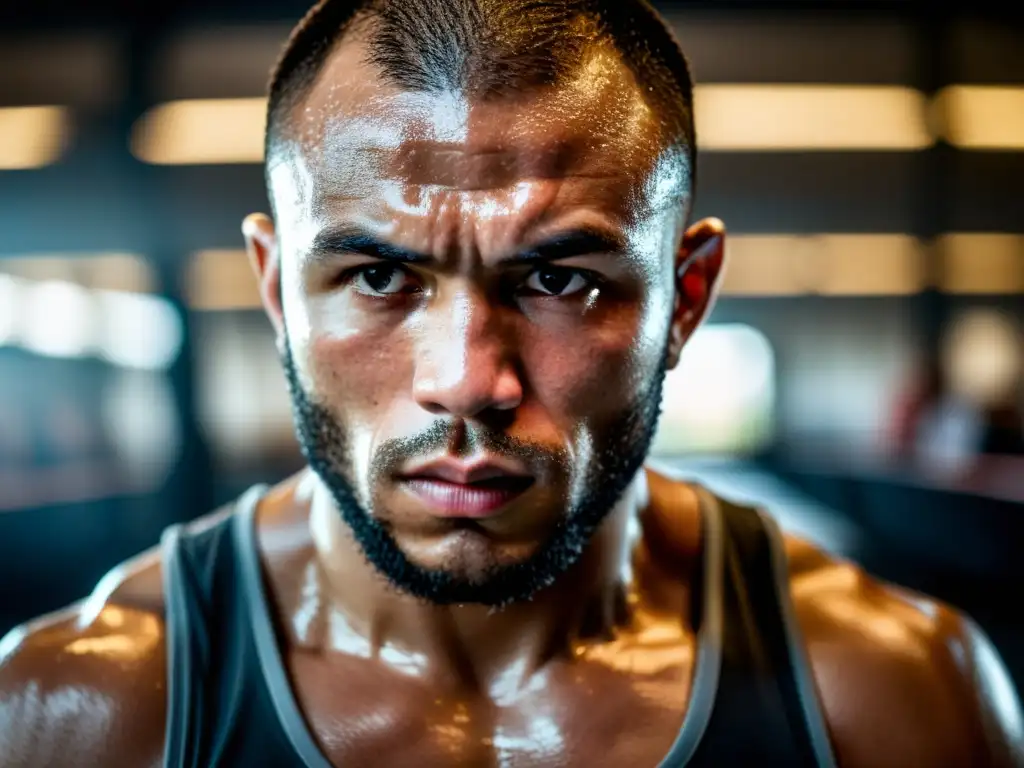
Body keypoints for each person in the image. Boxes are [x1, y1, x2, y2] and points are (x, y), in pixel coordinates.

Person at [1, 1, 1021, 765]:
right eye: (378, 276)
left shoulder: (889, 693)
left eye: (557, 280)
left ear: (686, 299)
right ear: (277, 292)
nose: (464, 383)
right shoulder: (82, 711)